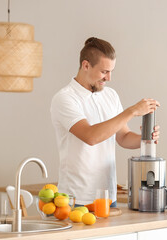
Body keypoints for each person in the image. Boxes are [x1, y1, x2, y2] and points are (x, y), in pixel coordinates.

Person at [50, 37, 160, 207]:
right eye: (104, 72)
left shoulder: (110, 95)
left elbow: (123, 137)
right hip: (76, 199)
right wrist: (132, 111)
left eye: (111, 71)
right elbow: (90, 136)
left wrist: (145, 138)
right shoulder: (65, 98)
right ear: (86, 65)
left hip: (108, 198)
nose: (109, 78)